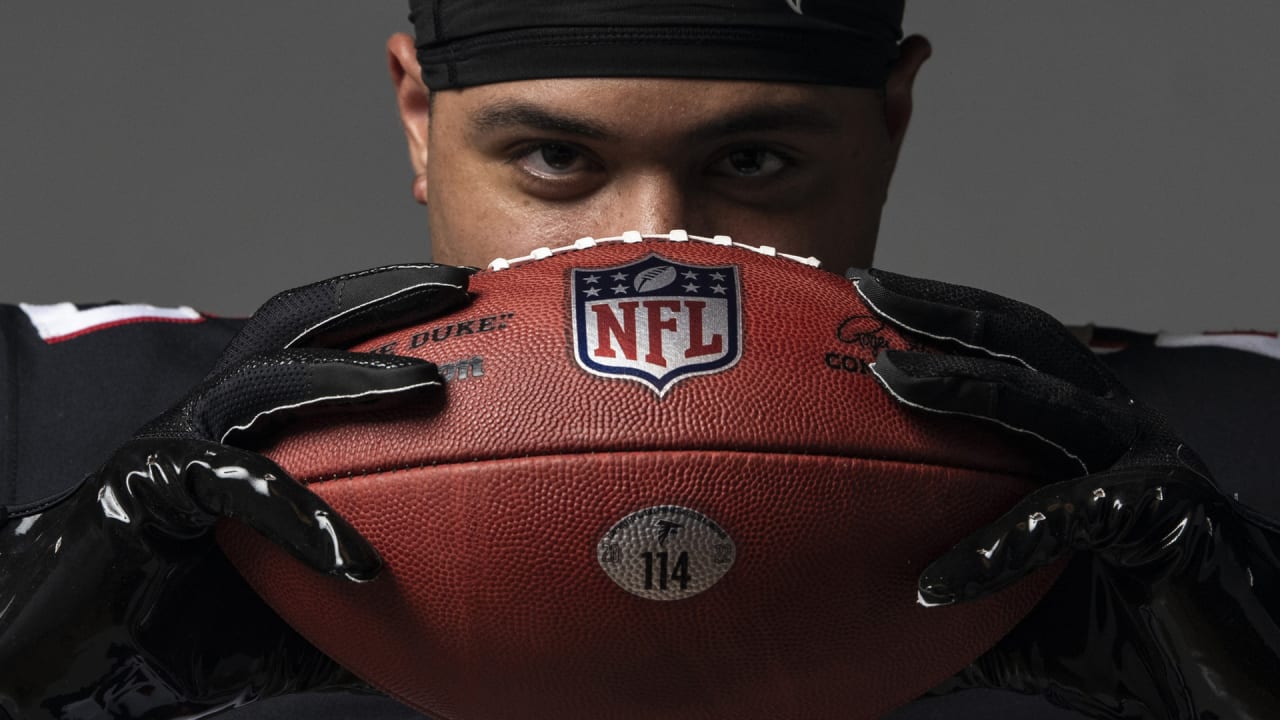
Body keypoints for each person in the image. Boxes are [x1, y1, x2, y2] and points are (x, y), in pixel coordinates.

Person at [1, 1, 1276, 718]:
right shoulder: (65, 410)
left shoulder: (1212, 452)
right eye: (554, 160)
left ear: (889, 122)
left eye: (754, 162)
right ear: (417, 118)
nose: (651, 242)